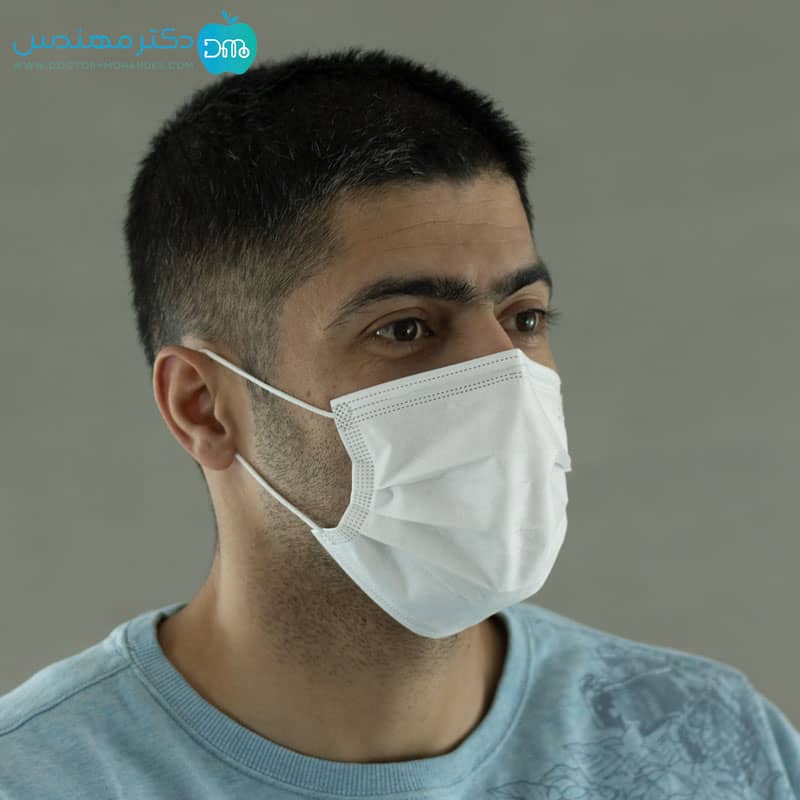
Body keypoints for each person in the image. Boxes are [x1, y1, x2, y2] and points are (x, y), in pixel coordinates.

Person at [1, 46, 798, 800]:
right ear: (202, 406)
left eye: (523, 318)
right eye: (406, 328)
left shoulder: (709, 747)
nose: (504, 382)